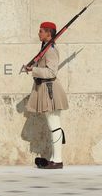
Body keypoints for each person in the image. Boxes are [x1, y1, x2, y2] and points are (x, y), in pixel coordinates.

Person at [25, 21, 69, 169]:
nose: (39, 34)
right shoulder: (45, 47)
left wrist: (33, 70)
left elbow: (51, 72)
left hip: (50, 90)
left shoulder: (51, 50)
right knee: (53, 125)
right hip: (45, 88)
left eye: (41, 31)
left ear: (48, 33)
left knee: (54, 125)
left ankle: (57, 160)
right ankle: (54, 159)